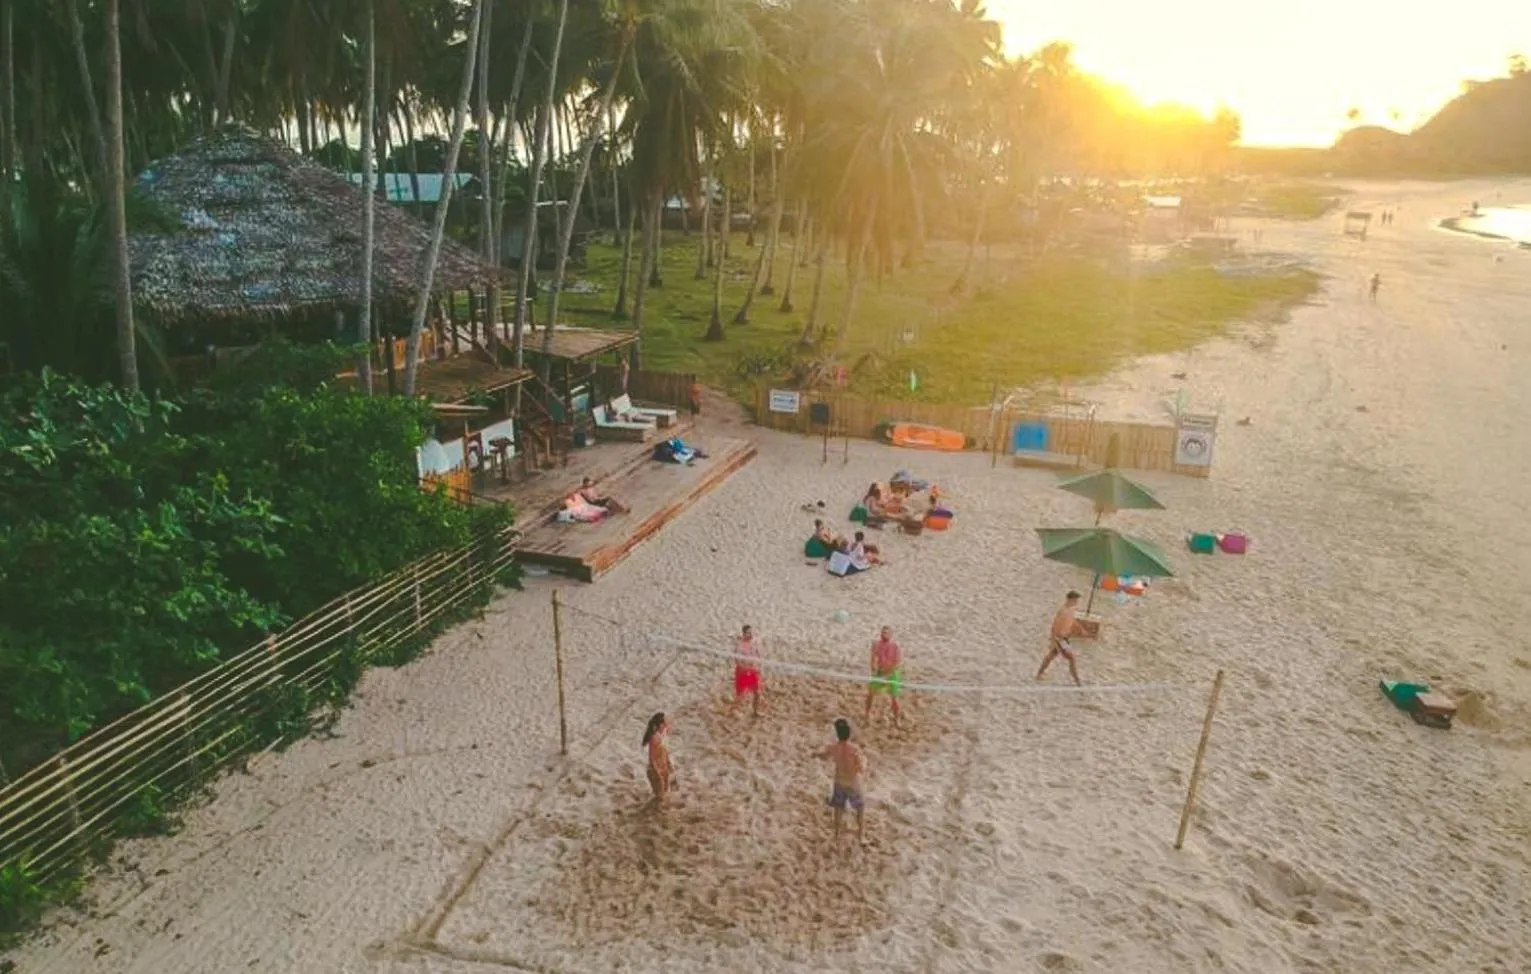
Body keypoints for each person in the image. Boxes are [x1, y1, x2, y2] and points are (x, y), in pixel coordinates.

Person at [816, 718, 866, 843]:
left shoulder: (833, 747)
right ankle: (861, 837)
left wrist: (816, 754)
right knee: (860, 808)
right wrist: (865, 763)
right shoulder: (854, 750)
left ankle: (836, 835)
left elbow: (824, 756)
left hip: (839, 782)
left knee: (838, 809)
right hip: (853, 783)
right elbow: (860, 768)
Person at [1036, 590, 1085, 686]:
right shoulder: (1063, 611)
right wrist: (1054, 639)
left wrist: (1081, 629)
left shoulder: (1071, 610)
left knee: (1050, 657)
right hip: (1060, 639)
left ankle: (1039, 674)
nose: (1076, 602)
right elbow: (1055, 625)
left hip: (1064, 638)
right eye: (1075, 600)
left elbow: (1072, 621)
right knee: (1071, 658)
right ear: (1070, 599)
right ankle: (1077, 681)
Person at [865, 626, 903, 725]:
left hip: (891, 674)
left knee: (894, 698)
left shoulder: (895, 646)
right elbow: (873, 658)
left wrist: (888, 674)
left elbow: (897, 664)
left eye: (886, 633)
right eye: (882, 633)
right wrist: (873, 670)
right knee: (870, 694)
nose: (883, 635)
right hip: (880, 673)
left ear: (891, 635)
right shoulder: (877, 644)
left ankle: (896, 719)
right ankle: (867, 715)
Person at [730, 624, 764, 717]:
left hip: (753, 669)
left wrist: (758, 665)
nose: (751, 634)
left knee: (757, 692)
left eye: (751, 632)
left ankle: (755, 711)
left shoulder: (755, 641)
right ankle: (733, 710)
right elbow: (737, 659)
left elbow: (758, 653)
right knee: (741, 694)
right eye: (748, 633)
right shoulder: (740, 644)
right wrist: (744, 668)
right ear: (744, 634)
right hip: (743, 671)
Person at [643, 712, 674, 806]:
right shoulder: (654, 739)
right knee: (660, 797)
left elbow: (665, 750)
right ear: (659, 725)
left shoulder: (663, 734)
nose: (666, 724)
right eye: (664, 723)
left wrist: (668, 763)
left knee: (666, 793)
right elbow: (651, 758)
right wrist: (657, 773)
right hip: (655, 770)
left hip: (663, 767)